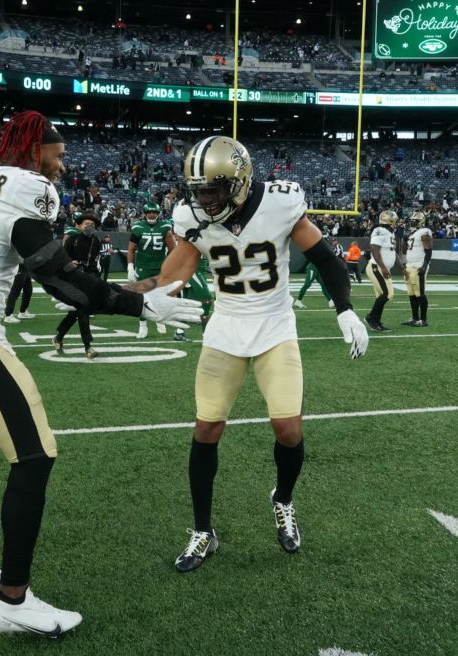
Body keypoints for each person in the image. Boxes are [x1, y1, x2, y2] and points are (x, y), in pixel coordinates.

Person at [0, 111, 199, 636]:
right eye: (57, 155)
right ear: (35, 151)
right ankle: (13, 602)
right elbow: (59, 278)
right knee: (34, 458)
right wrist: (140, 308)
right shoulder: (26, 190)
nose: (62, 165)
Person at [125, 134, 368, 573]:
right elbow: (170, 276)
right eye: (197, 190)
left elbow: (325, 258)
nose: (204, 199)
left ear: (238, 181)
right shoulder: (191, 217)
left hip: (275, 327)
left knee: (288, 429)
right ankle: (203, 530)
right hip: (226, 329)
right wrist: (117, 294)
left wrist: (345, 309)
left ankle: (283, 498)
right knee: (206, 430)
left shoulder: (280, 201)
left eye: (212, 190)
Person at [52, 212, 103, 359]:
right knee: (83, 310)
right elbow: (61, 258)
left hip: (90, 278)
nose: (89, 227)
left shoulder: (96, 240)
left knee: (77, 311)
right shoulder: (72, 239)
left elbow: (94, 260)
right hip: (74, 278)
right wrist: (70, 263)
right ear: (79, 225)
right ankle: (88, 347)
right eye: (86, 224)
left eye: (92, 224)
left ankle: (59, 336)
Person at [127, 202, 176, 339]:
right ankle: (143, 326)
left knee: (160, 296)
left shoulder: (165, 227)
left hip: (160, 266)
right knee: (142, 297)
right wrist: (130, 267)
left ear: (158, 213)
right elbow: (131, 249)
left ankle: (159, 319)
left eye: (154, 212)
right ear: (145, 213)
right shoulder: (138, 228)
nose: (151, 214)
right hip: (143, 266)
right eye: (149, 212)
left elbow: (173, 250)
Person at [365, 210, 402, 332]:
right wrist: (384, 267)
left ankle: (376, 321)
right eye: (394, 220)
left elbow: (392, 253)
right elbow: (374, 249)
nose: (396, 222)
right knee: (388, 294)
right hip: (376, 267)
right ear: (388, 220)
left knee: (382, 295)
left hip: (381, 268)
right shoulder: (380, 230)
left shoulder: (389, 232)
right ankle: (371, 318)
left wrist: (402, 268)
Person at [402, 211, 432, 327]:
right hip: (410, 265)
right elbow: (404, 251)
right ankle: (415, 318)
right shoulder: (412, 233)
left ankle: (423, 320)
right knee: (411, 293)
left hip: (418, 265)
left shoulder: (424, 232)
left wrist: (424, 265)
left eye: (414, 221)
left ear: (421, 222)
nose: (412, 223)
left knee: (420, 293)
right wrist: (405, 239)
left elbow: (428, 250)